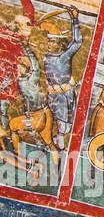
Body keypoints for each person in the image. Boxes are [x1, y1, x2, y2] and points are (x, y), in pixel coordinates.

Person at [41, 11, 80, 150]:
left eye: (52, 41)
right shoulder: (47, 56)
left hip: (64, 96)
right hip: (52, 95)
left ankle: (60, 148)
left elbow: (77, 42)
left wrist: (75, 19)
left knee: (63, 125)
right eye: (48, 41)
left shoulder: (64, 56)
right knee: (49, 119)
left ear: (59, 44)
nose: (49, 44)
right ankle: (51, 145)